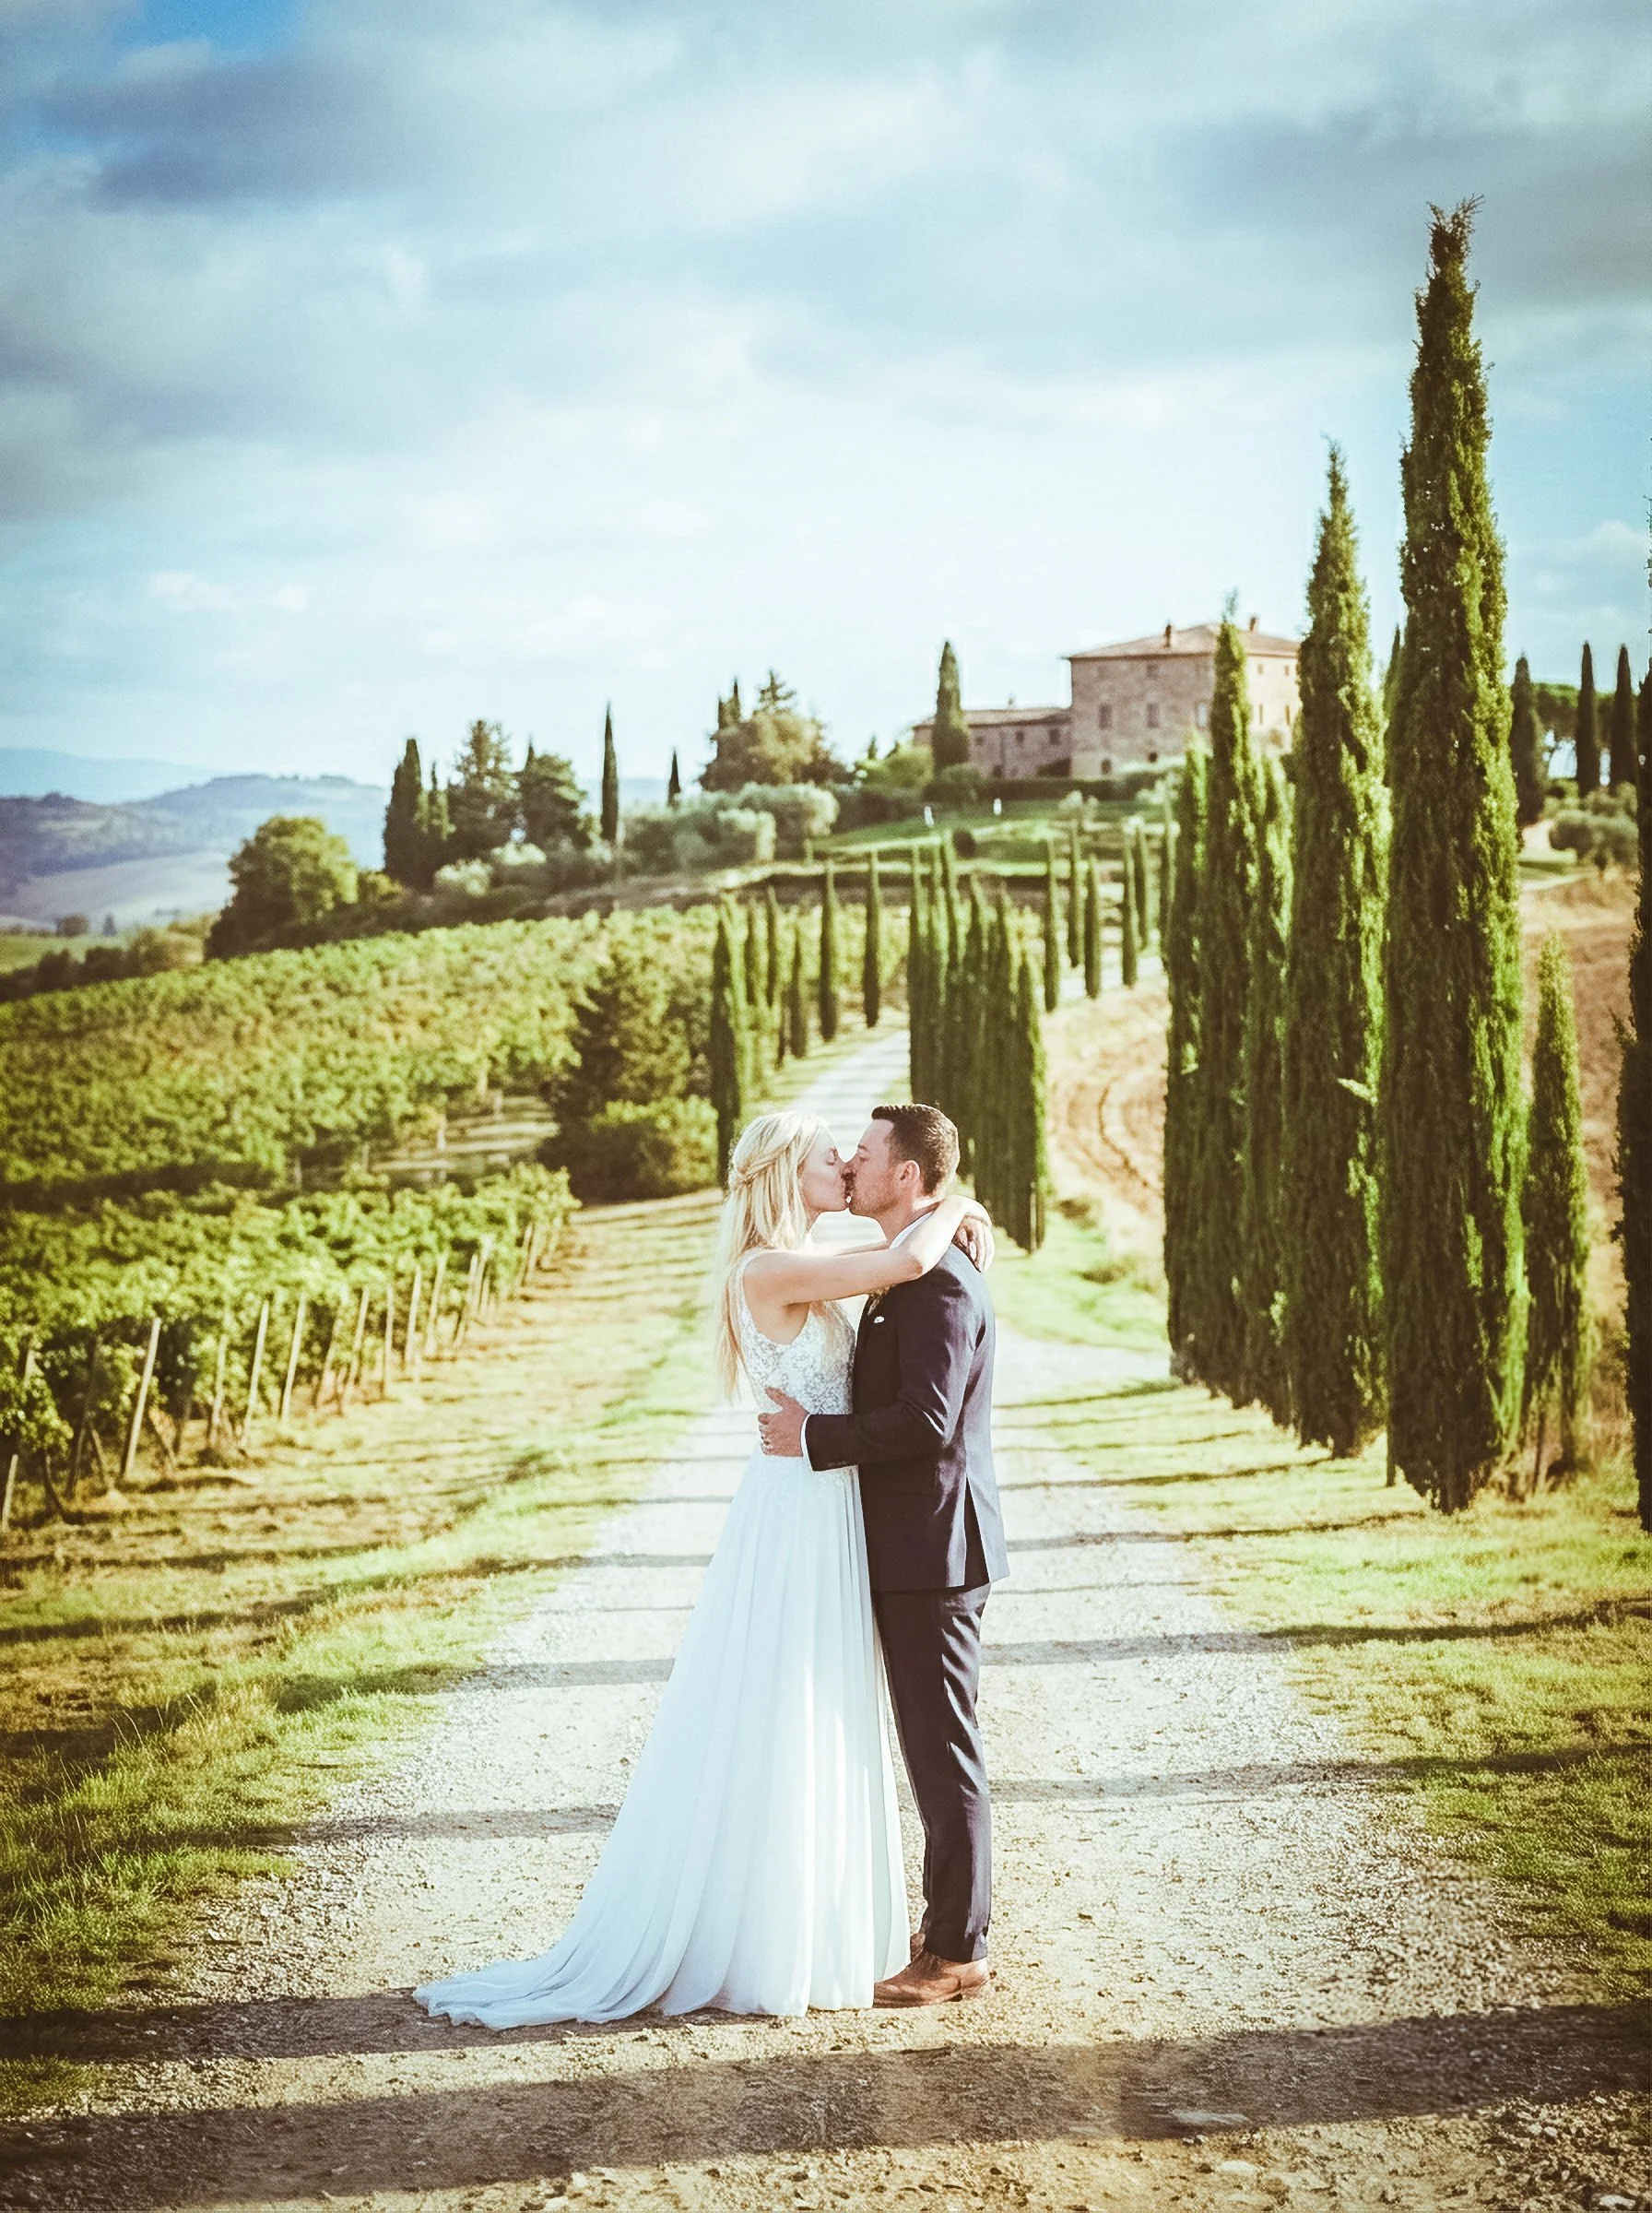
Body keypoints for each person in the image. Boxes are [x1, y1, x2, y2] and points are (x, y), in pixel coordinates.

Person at [413, 1106, 991, 2028]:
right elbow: (902, 1263)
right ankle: (771, 1936)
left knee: (824, 1718)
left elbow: (910, 1295)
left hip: (831, 1510)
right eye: (825, 1155)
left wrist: (951, 1211)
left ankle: (866, 1933)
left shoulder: (814, 1261)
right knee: (780, 1719)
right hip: (800, 1514)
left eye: (857, 1153)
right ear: (780, 1176)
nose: (845, 1162)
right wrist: (957, 1206)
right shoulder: (770, 1267)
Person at [759, 1102, 1005, 2006]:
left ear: (906, 1176)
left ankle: (956, 1951)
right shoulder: (909, 1270)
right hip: (909, 1549)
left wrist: (813, 1435)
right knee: (930, 1747)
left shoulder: (936, 1287)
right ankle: (950, 1928)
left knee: (942, 1752)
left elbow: (926, 1421)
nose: (851, 1166)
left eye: (862, 1155)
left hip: (933, 1553)